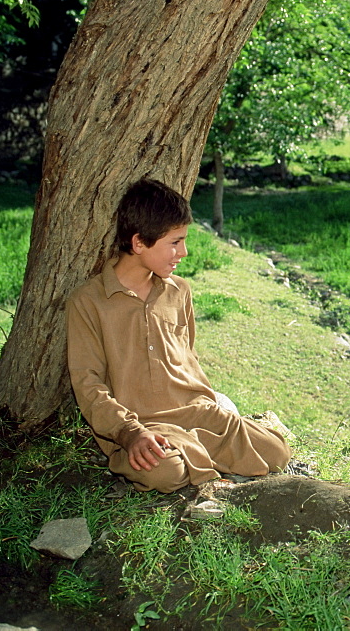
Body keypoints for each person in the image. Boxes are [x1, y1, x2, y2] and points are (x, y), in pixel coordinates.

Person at [66, 178, 291, 492]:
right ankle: (202, 453)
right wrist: (129, 432)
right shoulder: (87, 302)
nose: (183, 252)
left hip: (197, 412)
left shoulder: (180, 291)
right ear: (139, 242)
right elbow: (88, 384)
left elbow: (189, 359)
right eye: (174, 242)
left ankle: (197, 447)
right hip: (144, 425)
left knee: (277, 452)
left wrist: (214, 409)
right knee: (164, 472)